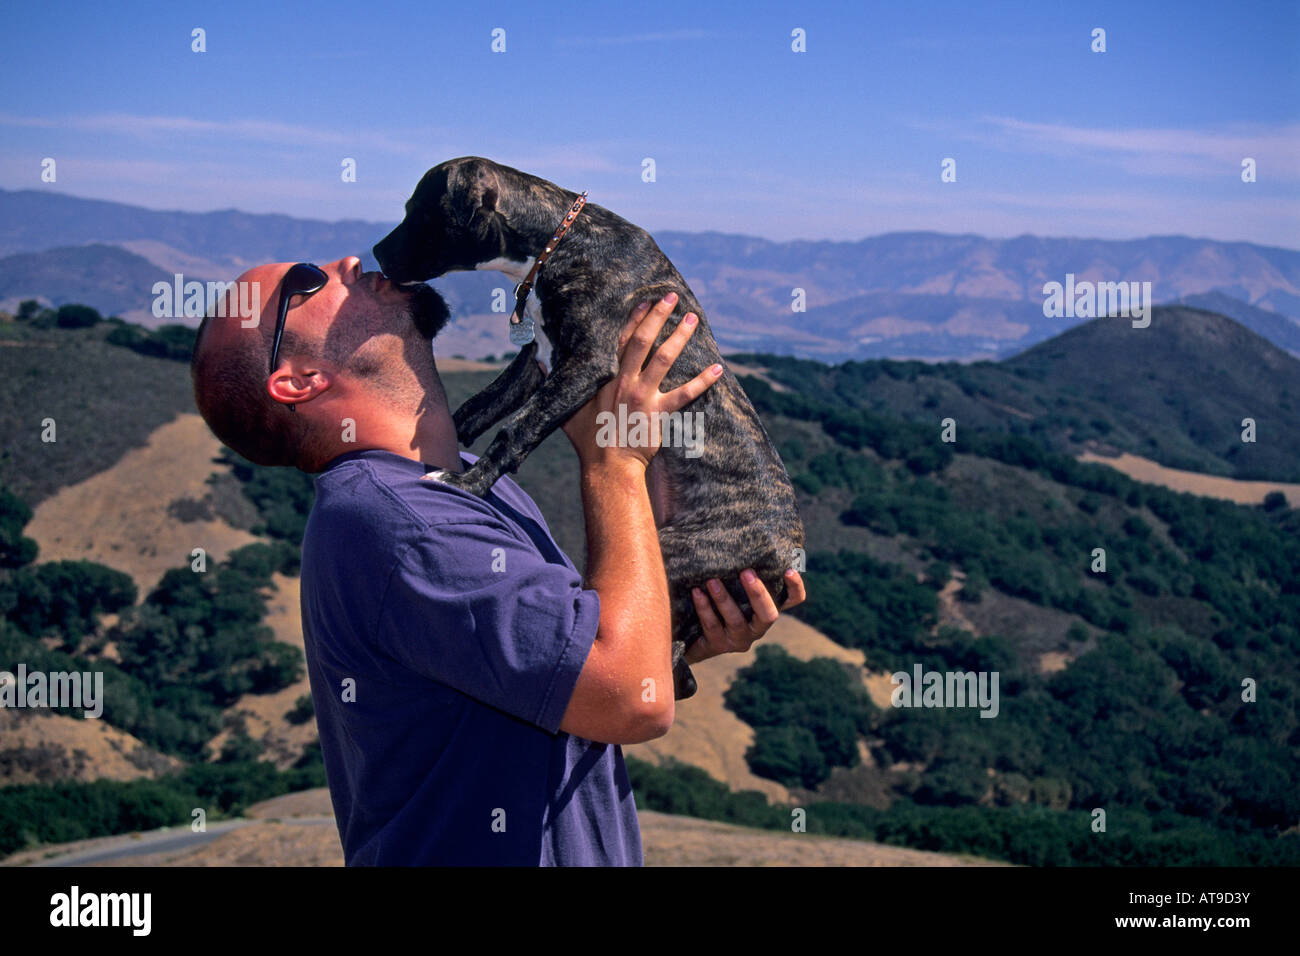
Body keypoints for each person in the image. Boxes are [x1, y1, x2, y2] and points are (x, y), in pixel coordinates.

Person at [190, 256, 806, 865]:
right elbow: (631, 705)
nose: (348, 260)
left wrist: (678, 644)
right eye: (305, 281)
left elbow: (571, 682)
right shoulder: (402, 524)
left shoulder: (460, 488)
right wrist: (616, 461)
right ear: (299, 380)